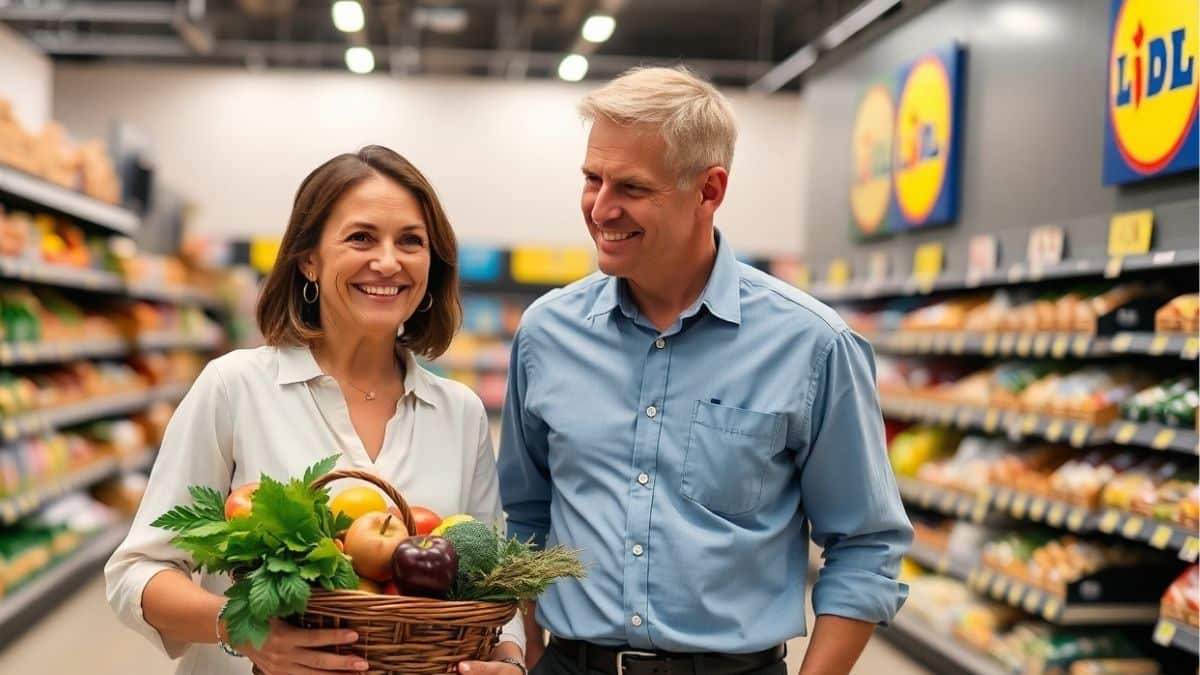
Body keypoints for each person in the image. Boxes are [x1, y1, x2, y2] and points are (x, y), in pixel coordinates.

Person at [497, 67, 912, 675]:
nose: (601, 208)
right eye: (592, 178)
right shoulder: (547, 334)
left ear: (709, 190)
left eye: (632, 189)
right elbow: (529, 515)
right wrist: (532, 653)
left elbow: (866, 544)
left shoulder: (812, 346)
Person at [106, 146, 527, 675]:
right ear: (309, 258)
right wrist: (241, 627)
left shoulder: (459, 413)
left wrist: (510, 662)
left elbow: (491, 588)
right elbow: (136, 575)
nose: (389, 261)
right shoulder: (236, 388)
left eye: (411, 242)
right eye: (361, 237)